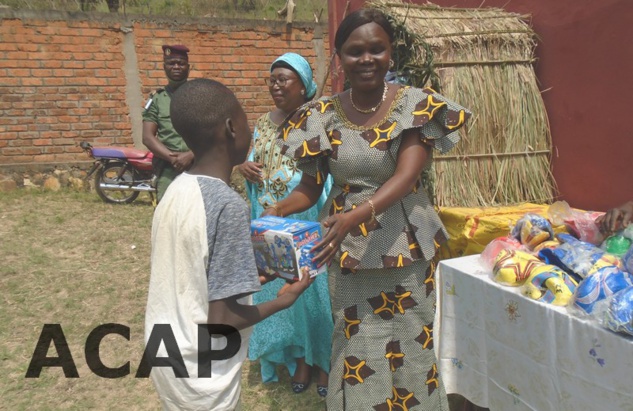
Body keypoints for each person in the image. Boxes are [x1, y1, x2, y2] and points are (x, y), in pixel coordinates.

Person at [265, 9, 472, 410]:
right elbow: (310, 187)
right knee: (357, 340)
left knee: (412, 339)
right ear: (339, 57)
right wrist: (280, 208)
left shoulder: (414, 105)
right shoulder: (320, 115)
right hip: (349, 253)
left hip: (404, 243)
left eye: (377, 49)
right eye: (355, 51)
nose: (367, 59)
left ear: (390, 53)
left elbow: (406, 176)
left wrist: (356, 215)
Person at [144, 78, 312, 411]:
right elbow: (222, 320)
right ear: (232, 128)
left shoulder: (176, 189)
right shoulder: (227, 205)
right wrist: (285, 301)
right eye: (247, 122)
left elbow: (194, 270)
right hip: (202, 370)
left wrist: (249, 276)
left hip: (165, 350)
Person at [237, 53, 333, 397]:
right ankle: (298, 357)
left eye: (284, 79)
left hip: (304, 218)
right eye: (272, 79)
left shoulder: (316, 121)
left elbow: (324, 173)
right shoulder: (263, 122)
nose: (276, 85)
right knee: (279, 293)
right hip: (267, 219)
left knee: (313, 294)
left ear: (305, 85)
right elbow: (254, 156)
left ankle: (322, 362)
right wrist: (244, 166)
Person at [142, 44, 195, 202]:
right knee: (166, 217)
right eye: (171, 63)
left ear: (188, 67)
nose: (176, 66)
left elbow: (213, 133)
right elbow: (147, 137)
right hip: (167, 169)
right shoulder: (157, 99)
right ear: (164, 67)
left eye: (181, 63)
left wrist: (191, 154)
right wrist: (173, 158)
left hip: (198, 165)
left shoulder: (200, 95)